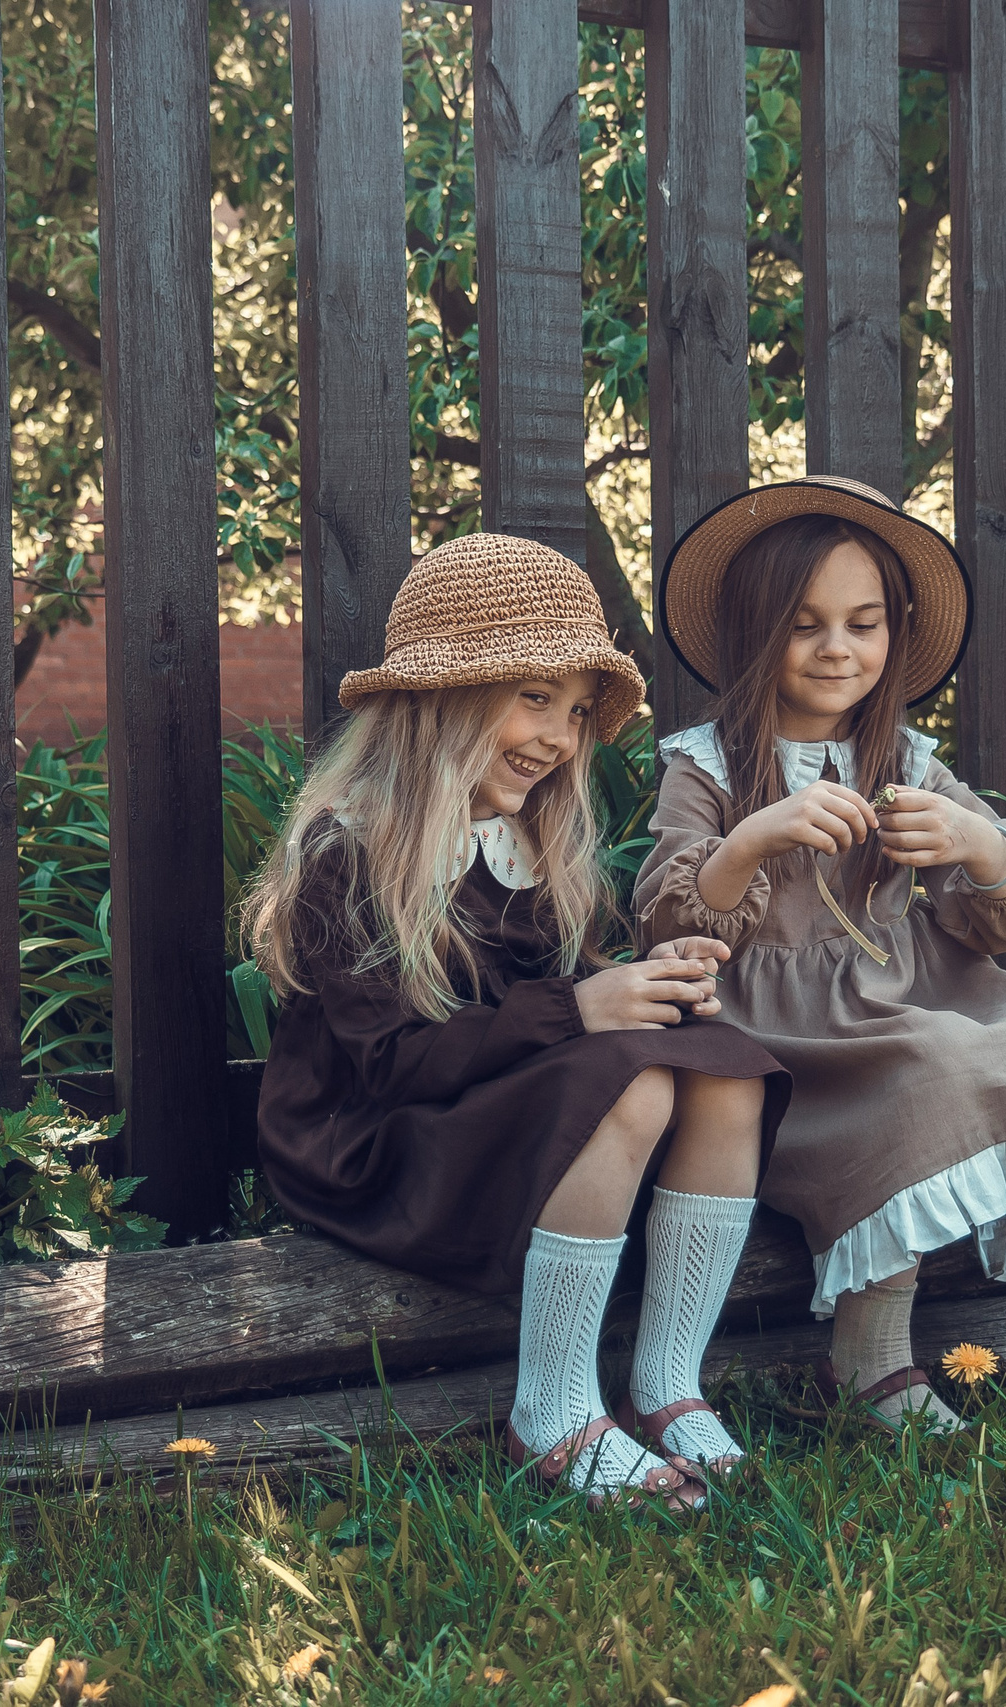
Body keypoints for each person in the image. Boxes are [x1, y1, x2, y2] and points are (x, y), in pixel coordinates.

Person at [246, 532, 792, 1508]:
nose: (558, 737)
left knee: (724, 1067)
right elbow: (388, 1066)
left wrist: (637, 982)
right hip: (373, 1143)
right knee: (629, 1082)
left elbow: (548, 1003)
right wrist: (580, 1010)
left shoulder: (525, 844)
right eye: (532, 698)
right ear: (442, 697)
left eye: (576, 713)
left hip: (483, 1098)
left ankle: (666, 1385)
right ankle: (552, 1409)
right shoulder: (354, 852)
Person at [632, 478, 1006, 1430]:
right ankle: (869, 1360)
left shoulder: (908, 758)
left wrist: (974, 841)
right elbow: (672, 921)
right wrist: (754, 836)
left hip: (905, 986)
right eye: (806, 625)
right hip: (793, 1026)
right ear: (757, 633)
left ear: (892, 633)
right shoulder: (706, 763)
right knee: (924, 1068)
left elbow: (1003, 910)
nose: (839, 649)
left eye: (863, 624)